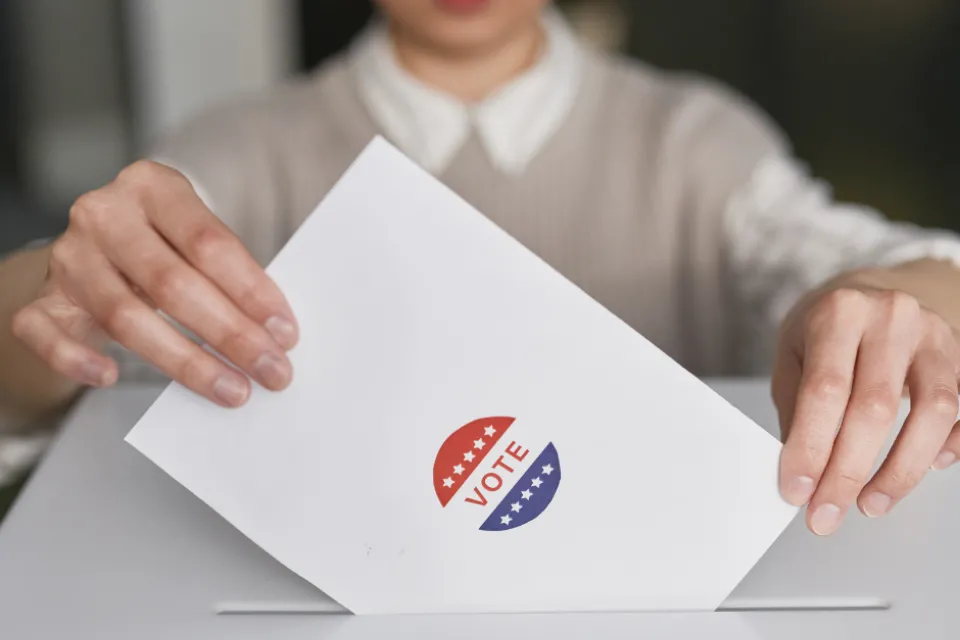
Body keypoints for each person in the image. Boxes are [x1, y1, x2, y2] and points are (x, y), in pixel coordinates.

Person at [1, 0, 960, 538]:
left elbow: (864, 260)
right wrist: (60, 289)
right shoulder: (233, 151)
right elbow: (45, 343)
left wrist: (887, 308)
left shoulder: (697, 138)